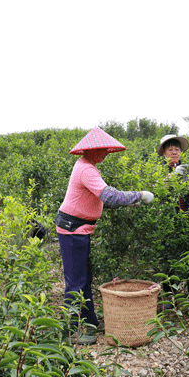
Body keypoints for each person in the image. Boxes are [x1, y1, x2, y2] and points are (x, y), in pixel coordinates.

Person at [54, 127, 154, 344]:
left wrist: (132, 201)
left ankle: (89, 321)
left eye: (107, 150)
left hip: (79, 229)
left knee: (84, 278)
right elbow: (109, 196)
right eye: (102, 149)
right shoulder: (86, 169)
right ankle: (73, 331)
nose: (106, 153)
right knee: (75, 282)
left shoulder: (88, 166)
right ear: (91, 150)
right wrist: (139, 195)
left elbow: (100, 199)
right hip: (72, 230)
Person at [158, 134, 189, 212]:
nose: (174, 153)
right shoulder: (158, 171)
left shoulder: (187, 169)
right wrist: (170, 179)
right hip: (168, 216)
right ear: (163, 152)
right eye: (170, 150)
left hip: (187, 216)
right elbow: (156, 193)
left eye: (177, 149)